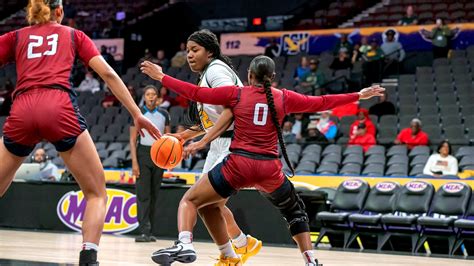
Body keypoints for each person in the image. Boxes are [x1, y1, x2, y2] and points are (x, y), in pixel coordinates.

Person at [141, 55, 384, 265]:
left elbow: (195, 92)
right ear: (273, 76)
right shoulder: (284, 97)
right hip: (269, 169)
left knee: (192, 200)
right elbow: (322, 103)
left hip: (238, 166)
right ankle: (310, 260)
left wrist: (162, 76)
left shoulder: (236, 94)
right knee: (294, 211)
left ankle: (185, 243)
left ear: (249, 75)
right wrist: (358, 95)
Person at [0, 1, 161, 265]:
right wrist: (136, 113)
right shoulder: (74, 35)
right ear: (60, 12)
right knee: (97, 192)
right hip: (58, 107)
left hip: (23, 109)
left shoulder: (16, 36)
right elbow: (108, 74)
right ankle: (88, 258)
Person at [151, 29, 262, 265]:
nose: (189, 55)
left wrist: (202, 142)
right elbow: (213, 120)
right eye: (187, 50)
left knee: (198, 200)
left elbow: (232, 109)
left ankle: (188, 243)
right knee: (207, 205)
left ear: (210, 52)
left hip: (234, 143)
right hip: (222, 143)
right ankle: (236, 250)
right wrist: (183, 137)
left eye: (195, 50)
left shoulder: (217, 70)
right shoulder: (207, 74)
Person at [130, 85, 170, 243]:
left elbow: (168, 138)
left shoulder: (164, 114)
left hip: (159, 155)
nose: (151, 97)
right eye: (148, 94)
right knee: (143, 195)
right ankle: (143, 231)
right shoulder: (138, 113)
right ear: (144, 97)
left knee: (154, 195)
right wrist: (134, 162)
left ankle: (150, 231)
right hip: (143, 155)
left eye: (154, 94)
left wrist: (167, 158)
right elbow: (133, 140)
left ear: (158, 97)